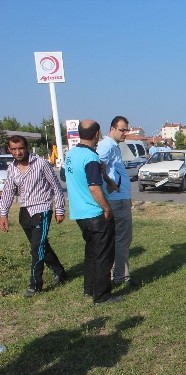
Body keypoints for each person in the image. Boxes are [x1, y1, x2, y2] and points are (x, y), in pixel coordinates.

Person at [0, 135, 68, 298]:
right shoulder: (12, 169)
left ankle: (35, 284)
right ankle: (60, 272)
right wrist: (3, 214)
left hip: (42, 210)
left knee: (36, 248)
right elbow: (8, 192)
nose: (18, 152)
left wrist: (59, 209)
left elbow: (56, 188)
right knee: (41, 246)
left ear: (27, 148)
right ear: (9, 150)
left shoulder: (41, 164)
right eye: (14, 149)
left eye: (20, 148)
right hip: (25, 213)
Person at [64, 120, 120, 304]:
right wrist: (106, 208)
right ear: (97, 134)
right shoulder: (91, 158)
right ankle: (102, 295)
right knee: (104, 255)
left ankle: (89, 288)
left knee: (91, 252)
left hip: (79, 214)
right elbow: (94, 187)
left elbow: (67, 176)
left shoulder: (71, 154)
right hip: (95, 213)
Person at [97, 116, 138, 287]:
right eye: (122, 130)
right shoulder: (106, 146)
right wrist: (109, 182)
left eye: (126, 130)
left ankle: (116, 274)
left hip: (120, 198)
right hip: (115, 199)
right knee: (122, 239)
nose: (125, 133)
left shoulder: (113, 146)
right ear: (112, 129)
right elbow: (96, 166)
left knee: (119, 239)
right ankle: (121, 276)